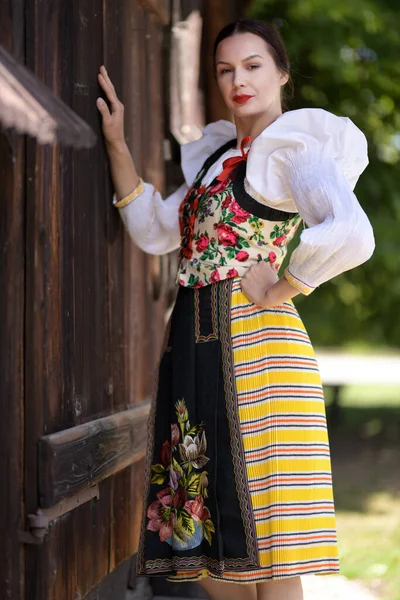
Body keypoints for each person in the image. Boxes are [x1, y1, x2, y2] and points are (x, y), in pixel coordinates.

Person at [96, 19, 375, 600]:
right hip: (193, 353)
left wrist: (282, 287)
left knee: (268, 545)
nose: (238, 80)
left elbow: (349, 231)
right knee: (209, 548)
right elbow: (154, 230)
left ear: (281, 74)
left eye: (252, 66)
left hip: (259, 351)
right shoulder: (218, 157)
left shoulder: (290, 150)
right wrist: (117, 144)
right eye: (226, 69)